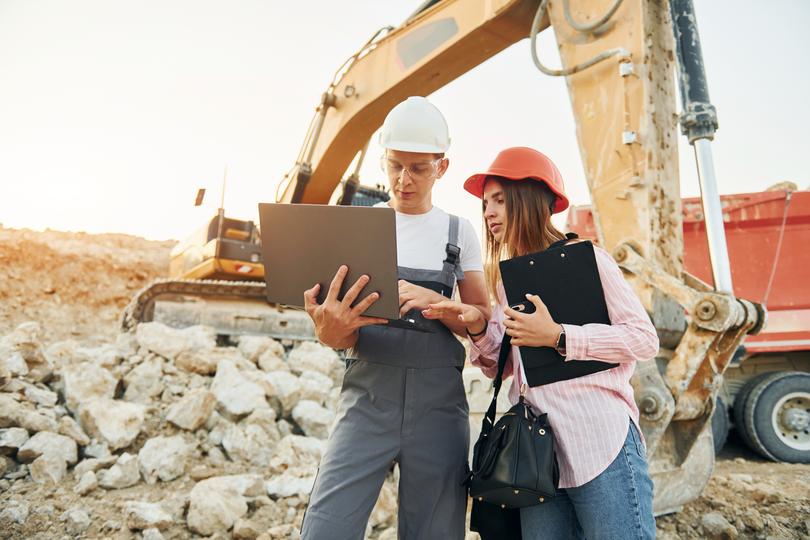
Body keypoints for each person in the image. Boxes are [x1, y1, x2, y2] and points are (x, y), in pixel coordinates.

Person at [424, 147, 660, 540]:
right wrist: (479, 327)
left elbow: (643, 338)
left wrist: (559, 336)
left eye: (499, 200)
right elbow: (505, 364)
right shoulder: (506, 282)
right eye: (485, 204)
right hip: (538, 461)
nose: (488, 213)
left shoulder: (589, 260)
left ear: (530, 199)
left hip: (601, 444)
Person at [300, 96, 491, 540]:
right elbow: (337, 330)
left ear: (441, 168)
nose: (403, 180)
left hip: (439, 407)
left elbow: (481, 319)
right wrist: (329, 333)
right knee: (326, 527)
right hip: (368, 399)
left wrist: (434, 301)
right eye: (394, 165)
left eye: (418, 168)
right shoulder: (359, 226)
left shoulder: (457, 232)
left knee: (435, 532)